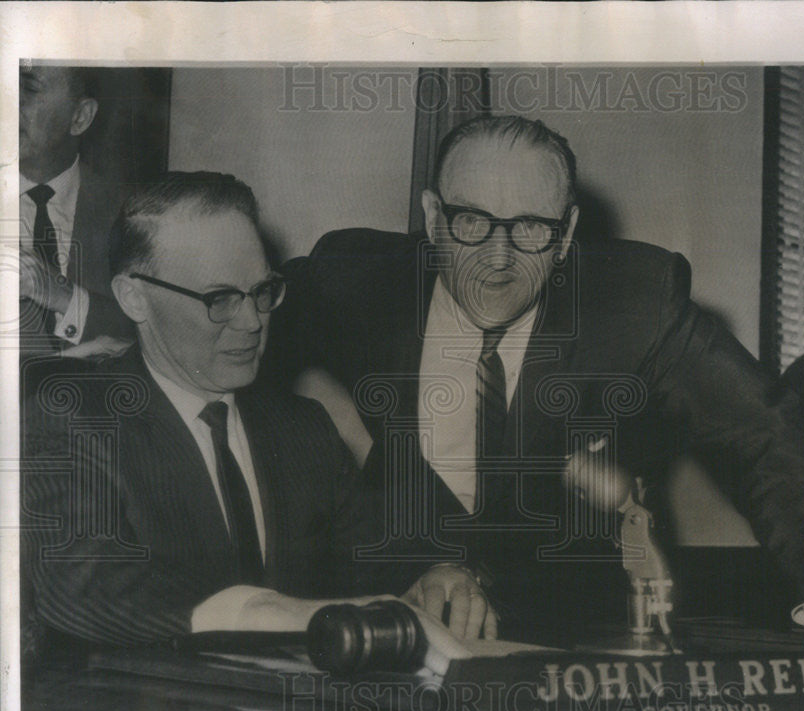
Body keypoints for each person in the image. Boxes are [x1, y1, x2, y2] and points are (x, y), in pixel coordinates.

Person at [268, 115, 804, 642]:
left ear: (566, 236)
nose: (499, 259)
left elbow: (764, 433)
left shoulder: (634, 302)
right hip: (387, 622)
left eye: (532, 228)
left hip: (570, 635)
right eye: (471, 222)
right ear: (434, 218)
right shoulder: (348, 284)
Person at [20, 172, 492, 675]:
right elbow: (87, 588)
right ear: (134, 297)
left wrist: (434, 577)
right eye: (219, 299)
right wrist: (258, 610)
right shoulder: (69, 417)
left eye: (263, 291)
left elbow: (374, 562)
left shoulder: (302, 428)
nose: (251, 321)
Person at [19, 65, 134, 360]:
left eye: (28, 87)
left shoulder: (132, 209)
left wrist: (65, 297)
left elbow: (156, 324)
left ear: (80, 116)